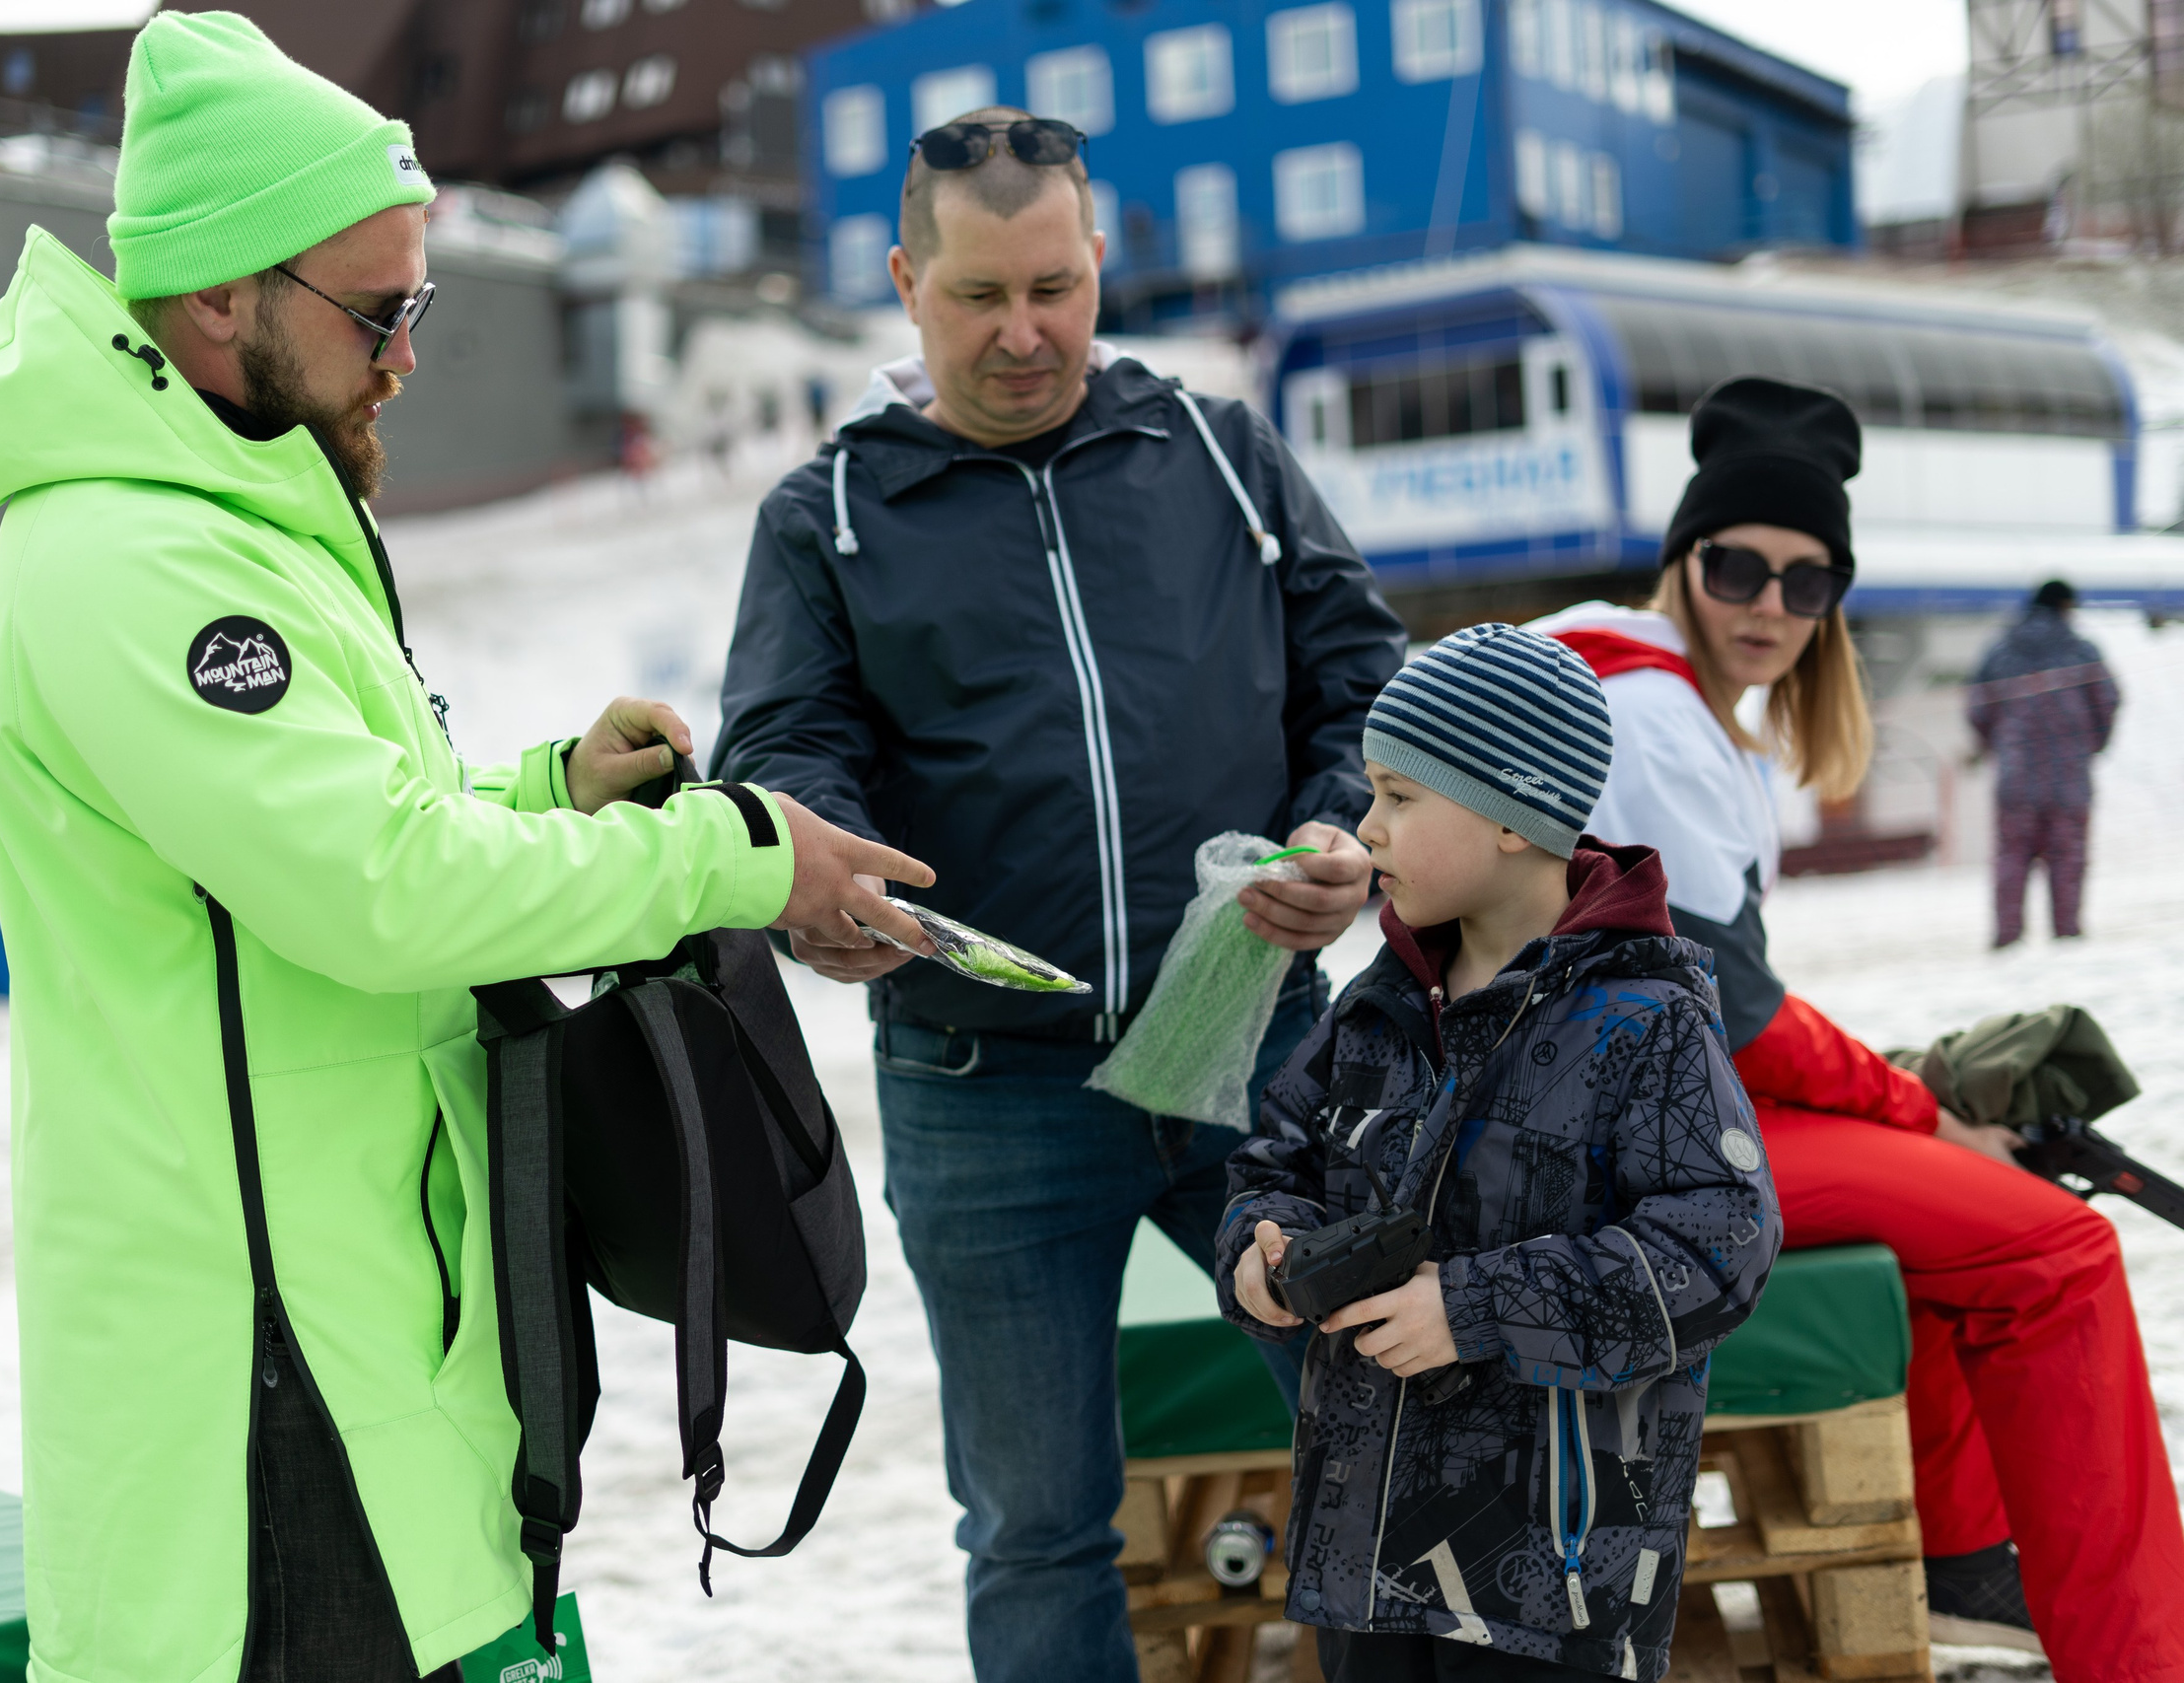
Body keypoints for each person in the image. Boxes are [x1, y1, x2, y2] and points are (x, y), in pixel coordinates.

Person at [0, 15, 929, 1682]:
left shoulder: (244, 519)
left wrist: (552, 793)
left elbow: (362, 827)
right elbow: (380, 890)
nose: (406, 355)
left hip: (378, 1325)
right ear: (219, 295)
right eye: (379, 312)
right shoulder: (134, 561)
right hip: (260, 1378)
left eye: (418, 306)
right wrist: (738, 855)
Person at [710, 105, 1405, 1683]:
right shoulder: (825, 516)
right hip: (987, 1092)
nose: (1024, 333)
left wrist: (1338, 826)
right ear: (907, 283)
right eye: (979, 296)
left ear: (1098, 262)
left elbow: (1362, 678)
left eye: (1056, 288)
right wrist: (822, 869)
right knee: (1034, 1524)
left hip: (1262, 1051)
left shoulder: (1222, 454)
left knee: (1384, 1435)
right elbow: (786, 744)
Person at [1533, 377, 2184, 1677]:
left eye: (1808, 581)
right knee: (2057, 1248)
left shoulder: (1616, 678)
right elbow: (1735, 1011)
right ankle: (2138, 1651)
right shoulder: (1652, 716)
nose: (1769, 604)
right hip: (1605, 1150)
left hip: (1586, 1112)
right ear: (1683, 557)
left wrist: (1895, 1104)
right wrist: (1918, 1107)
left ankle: (1968, 1555)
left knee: (1957, 1210)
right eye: (1736, 566)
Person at [1220, 624, 1780, 1683]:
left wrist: (1472, 1309)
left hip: (1550, 1587)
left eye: (1399, 795)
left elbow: (1720, 1245)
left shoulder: (1646, 1020)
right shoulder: (1376, 1006)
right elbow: (1273, 1162)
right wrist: (1263, 1251)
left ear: (1514, 817)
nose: (1367, 827)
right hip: (1364, 1567)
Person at [1968, 579, 2120, 947]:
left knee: (2012, 859)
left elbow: (1977, 708)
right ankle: (2067, 935)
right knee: (2068, 860)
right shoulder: (2081, 651)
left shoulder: (2002, 650)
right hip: (2069, 781)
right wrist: (2089, 746)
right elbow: (2108, 702)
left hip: (2016, 780)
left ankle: (2007, 938)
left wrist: (1997, 745)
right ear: (2066, 606)